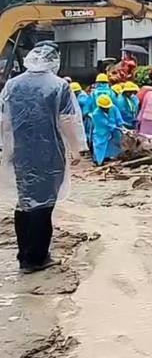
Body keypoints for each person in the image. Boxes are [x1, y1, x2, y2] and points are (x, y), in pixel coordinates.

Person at [0, 43, 87, 273]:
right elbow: (68, 120)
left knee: (25, 202)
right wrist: (76, 150)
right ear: (53, 60)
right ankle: (37, 258)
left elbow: (5, 122)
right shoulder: (59, 86)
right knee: (43, 205)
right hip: (49, 154)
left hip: (20, 153)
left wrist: (8, 149)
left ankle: (24, 255)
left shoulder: (12, 85)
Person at [91, 94, 123, 166]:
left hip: (114, 130)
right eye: (104, 108)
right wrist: (116, 128)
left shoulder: (113, 108)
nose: (106, 109)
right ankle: (99, 161)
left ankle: (108, 157)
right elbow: (105, 124)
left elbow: (118, 118)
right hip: (101, 132)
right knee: (99, 145)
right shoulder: (96, 114)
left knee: (115, 143)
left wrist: (121, 126)